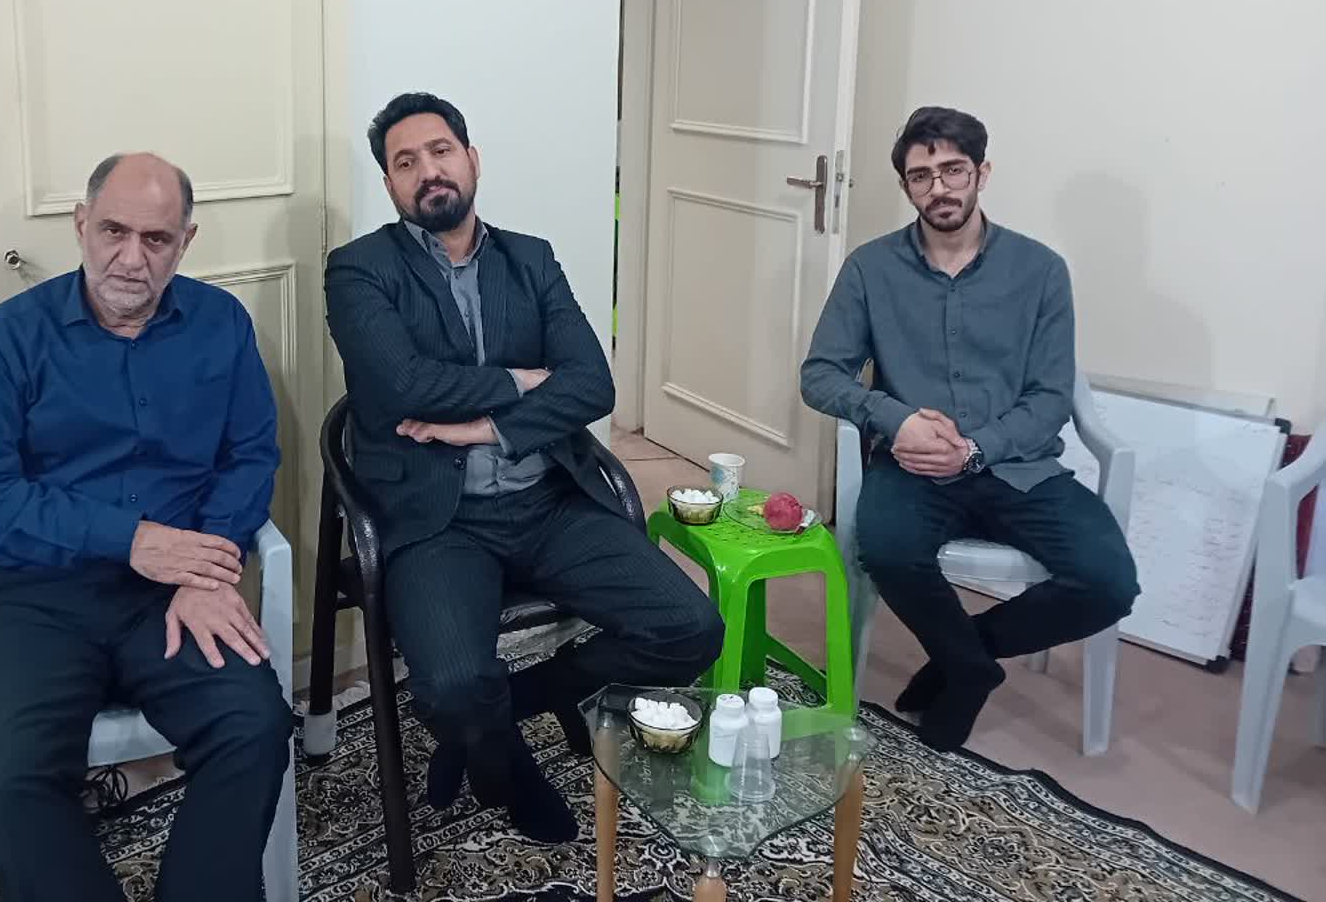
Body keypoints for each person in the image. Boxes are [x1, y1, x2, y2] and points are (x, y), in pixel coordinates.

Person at [325, 92, 724, 842]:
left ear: (471, 160)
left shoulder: (530, 258)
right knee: (450, 686)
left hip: (548, 500)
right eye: (405, 162)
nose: (428, 170)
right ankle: (504, 764)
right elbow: (400, 385)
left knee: (689, 627)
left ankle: (510, 708)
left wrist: (485, 427)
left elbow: (593, 384)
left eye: (441, 150)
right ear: (389, 185)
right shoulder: (358, 270)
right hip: (437, 520)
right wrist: (522, 381)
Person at [0, 152, 291, 902]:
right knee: (7, 782)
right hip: (33, 601)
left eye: (156, 239)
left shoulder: (221, 324)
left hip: (170, 595)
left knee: (255, 727)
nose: (131, 258)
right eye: (113, 231)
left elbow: (250, 456)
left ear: (185, 242)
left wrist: (208, 569)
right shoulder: (6, 339)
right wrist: (132, 539)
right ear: (81, 225)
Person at [800, 107, 1138, 751]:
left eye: (953, 170)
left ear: (981, 173)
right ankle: (972, 669)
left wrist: (978, 449)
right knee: (886, 549)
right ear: (906, 186)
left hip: (1019, 466)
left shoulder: (1041, 271)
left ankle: (961, 660)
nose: (939, 188)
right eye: (920, 175)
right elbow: (820, 375)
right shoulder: (870, 269)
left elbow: (1050, 397)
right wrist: (895, 418)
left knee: (1110, 583)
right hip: (914, 466)